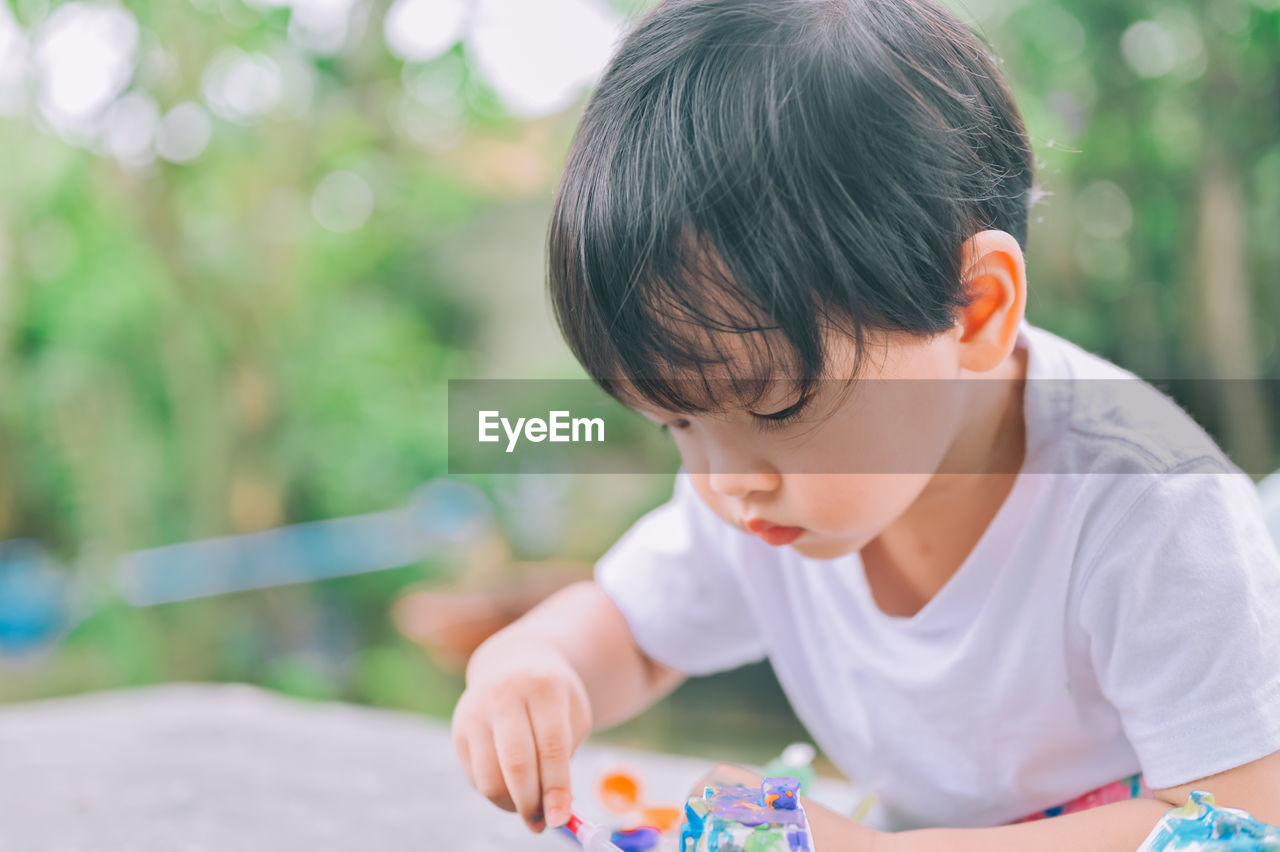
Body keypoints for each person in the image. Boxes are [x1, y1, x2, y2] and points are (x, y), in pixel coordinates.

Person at [450, 0, 1280, 848]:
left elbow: (1238, 823)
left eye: (775, 406)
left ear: (975, 308)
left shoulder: (1151, 508)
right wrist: (535, 663)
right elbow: (634, 633)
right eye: (676, 422)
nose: (723, 481)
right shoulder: (756, 489)